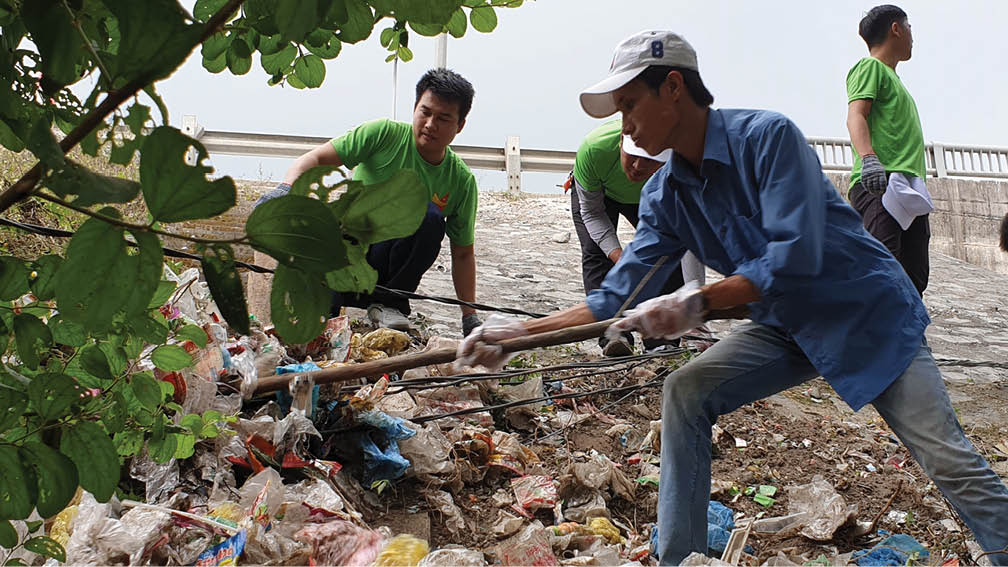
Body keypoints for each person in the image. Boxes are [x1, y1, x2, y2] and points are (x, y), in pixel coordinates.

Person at [459, 30, 1008, 565]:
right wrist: (516, 336)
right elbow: (611, 299)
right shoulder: (665, 193)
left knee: (946, 458)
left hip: (866, 314)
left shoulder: (768, 139)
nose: (624, 124)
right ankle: (682, 558)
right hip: (787, 325)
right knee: (686, 391)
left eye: (630, 104)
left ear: (673, 87)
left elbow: (794, 257)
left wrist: (697, 301)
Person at [258, 68, 482, 336]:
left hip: (386, 276)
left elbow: (463, 253)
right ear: (414, 109)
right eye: (425, 112)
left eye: (444, 118)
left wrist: (469, 317)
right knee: (313, 335)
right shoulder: (383, 134)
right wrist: (285, 189)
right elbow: (314, 159)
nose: (430, 124)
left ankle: (389, 305)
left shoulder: (460, 181)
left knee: (429, 216)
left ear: (460, 126)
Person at [571, 120, 708, 355]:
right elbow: (592, 214)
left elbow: (688, 239)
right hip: (600, 197)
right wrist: (619, 257)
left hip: (651, 193)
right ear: (622, 141)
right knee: (597, 255)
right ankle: (613, 334)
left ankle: (662, 339)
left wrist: (695, 306)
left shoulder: (683, 165)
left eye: (650, 159)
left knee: (667, 255)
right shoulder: (595, 149)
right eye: (632, 156)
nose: (637, 166)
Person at [846, 5, 931, 296]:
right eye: (909, 27)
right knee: (884, 267)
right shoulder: (870, 67)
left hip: (910, 188)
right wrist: (869, 159)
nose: (912, 36)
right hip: (881, 184)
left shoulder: (897, 82)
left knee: (914, 275)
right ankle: (875, 338)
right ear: (896, 28)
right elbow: (856, 115)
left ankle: (910, 339)